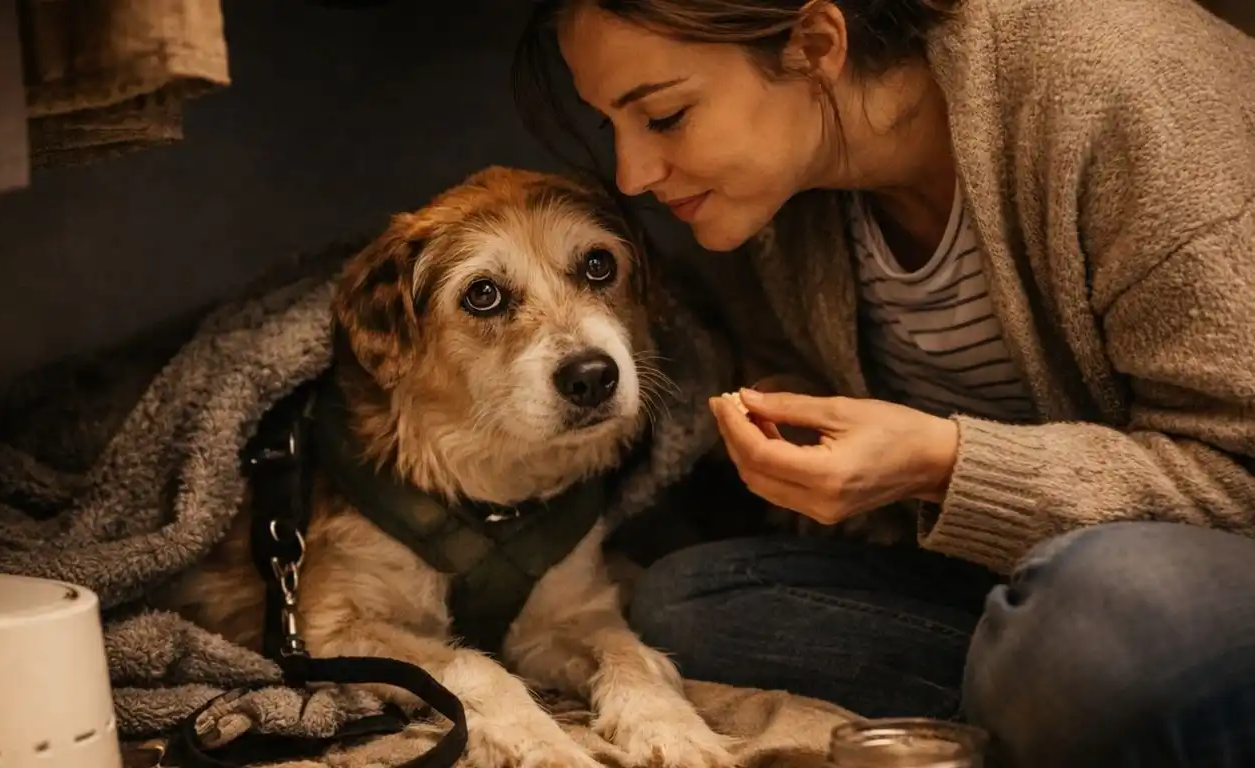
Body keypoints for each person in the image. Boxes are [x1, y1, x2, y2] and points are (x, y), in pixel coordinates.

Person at [511, 0, 1255, 765]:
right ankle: (1059, 694)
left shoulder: (1120, 87)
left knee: (1097, 615)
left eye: (664, 117)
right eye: (612, 128)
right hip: (1022, 589)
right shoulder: (779, 196)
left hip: (1181, 571)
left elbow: (1242, 480)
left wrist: (945, 464)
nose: (633, 176)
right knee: (685, 607)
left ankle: (1064, 682)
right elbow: (790, 355)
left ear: (814, 44)